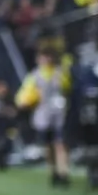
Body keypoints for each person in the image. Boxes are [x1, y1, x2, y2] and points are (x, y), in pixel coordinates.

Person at [16, 45, 72, 187]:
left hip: (59, 114)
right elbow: (24, 95)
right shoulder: (35, 75)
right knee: (48, 146)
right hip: (43, 116)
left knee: (60, 144)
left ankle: (63, 173)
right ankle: (53, 171)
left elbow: (67, 89)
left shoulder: (60, 73)